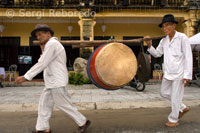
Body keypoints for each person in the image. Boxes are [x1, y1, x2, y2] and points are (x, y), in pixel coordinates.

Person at [15, 24, 91, 133]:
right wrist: (42, 48)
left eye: (40, 34)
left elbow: (42, 63)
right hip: (52, 81)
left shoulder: (52, 44)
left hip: (56, 81)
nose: (38, 37)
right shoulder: (49, 45)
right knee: (44, 104)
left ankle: (83, 121)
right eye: (37, 35)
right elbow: (45, 60)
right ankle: (43, 128)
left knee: (63, 104)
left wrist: (26, 77)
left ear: (48, 34)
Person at [145, 14, 193, 127]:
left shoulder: (182, 38)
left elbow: (188, 56)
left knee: (176, 96)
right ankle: (182, 107)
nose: (164, 28)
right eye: (163, 26)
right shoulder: (164, 40)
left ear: (174, 25)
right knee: (164, 93)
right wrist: (149, 45)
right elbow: (157, 53)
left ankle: (173, 119)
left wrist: (187, 75)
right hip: (168, 73)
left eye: (167, 25)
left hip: (179, 73)